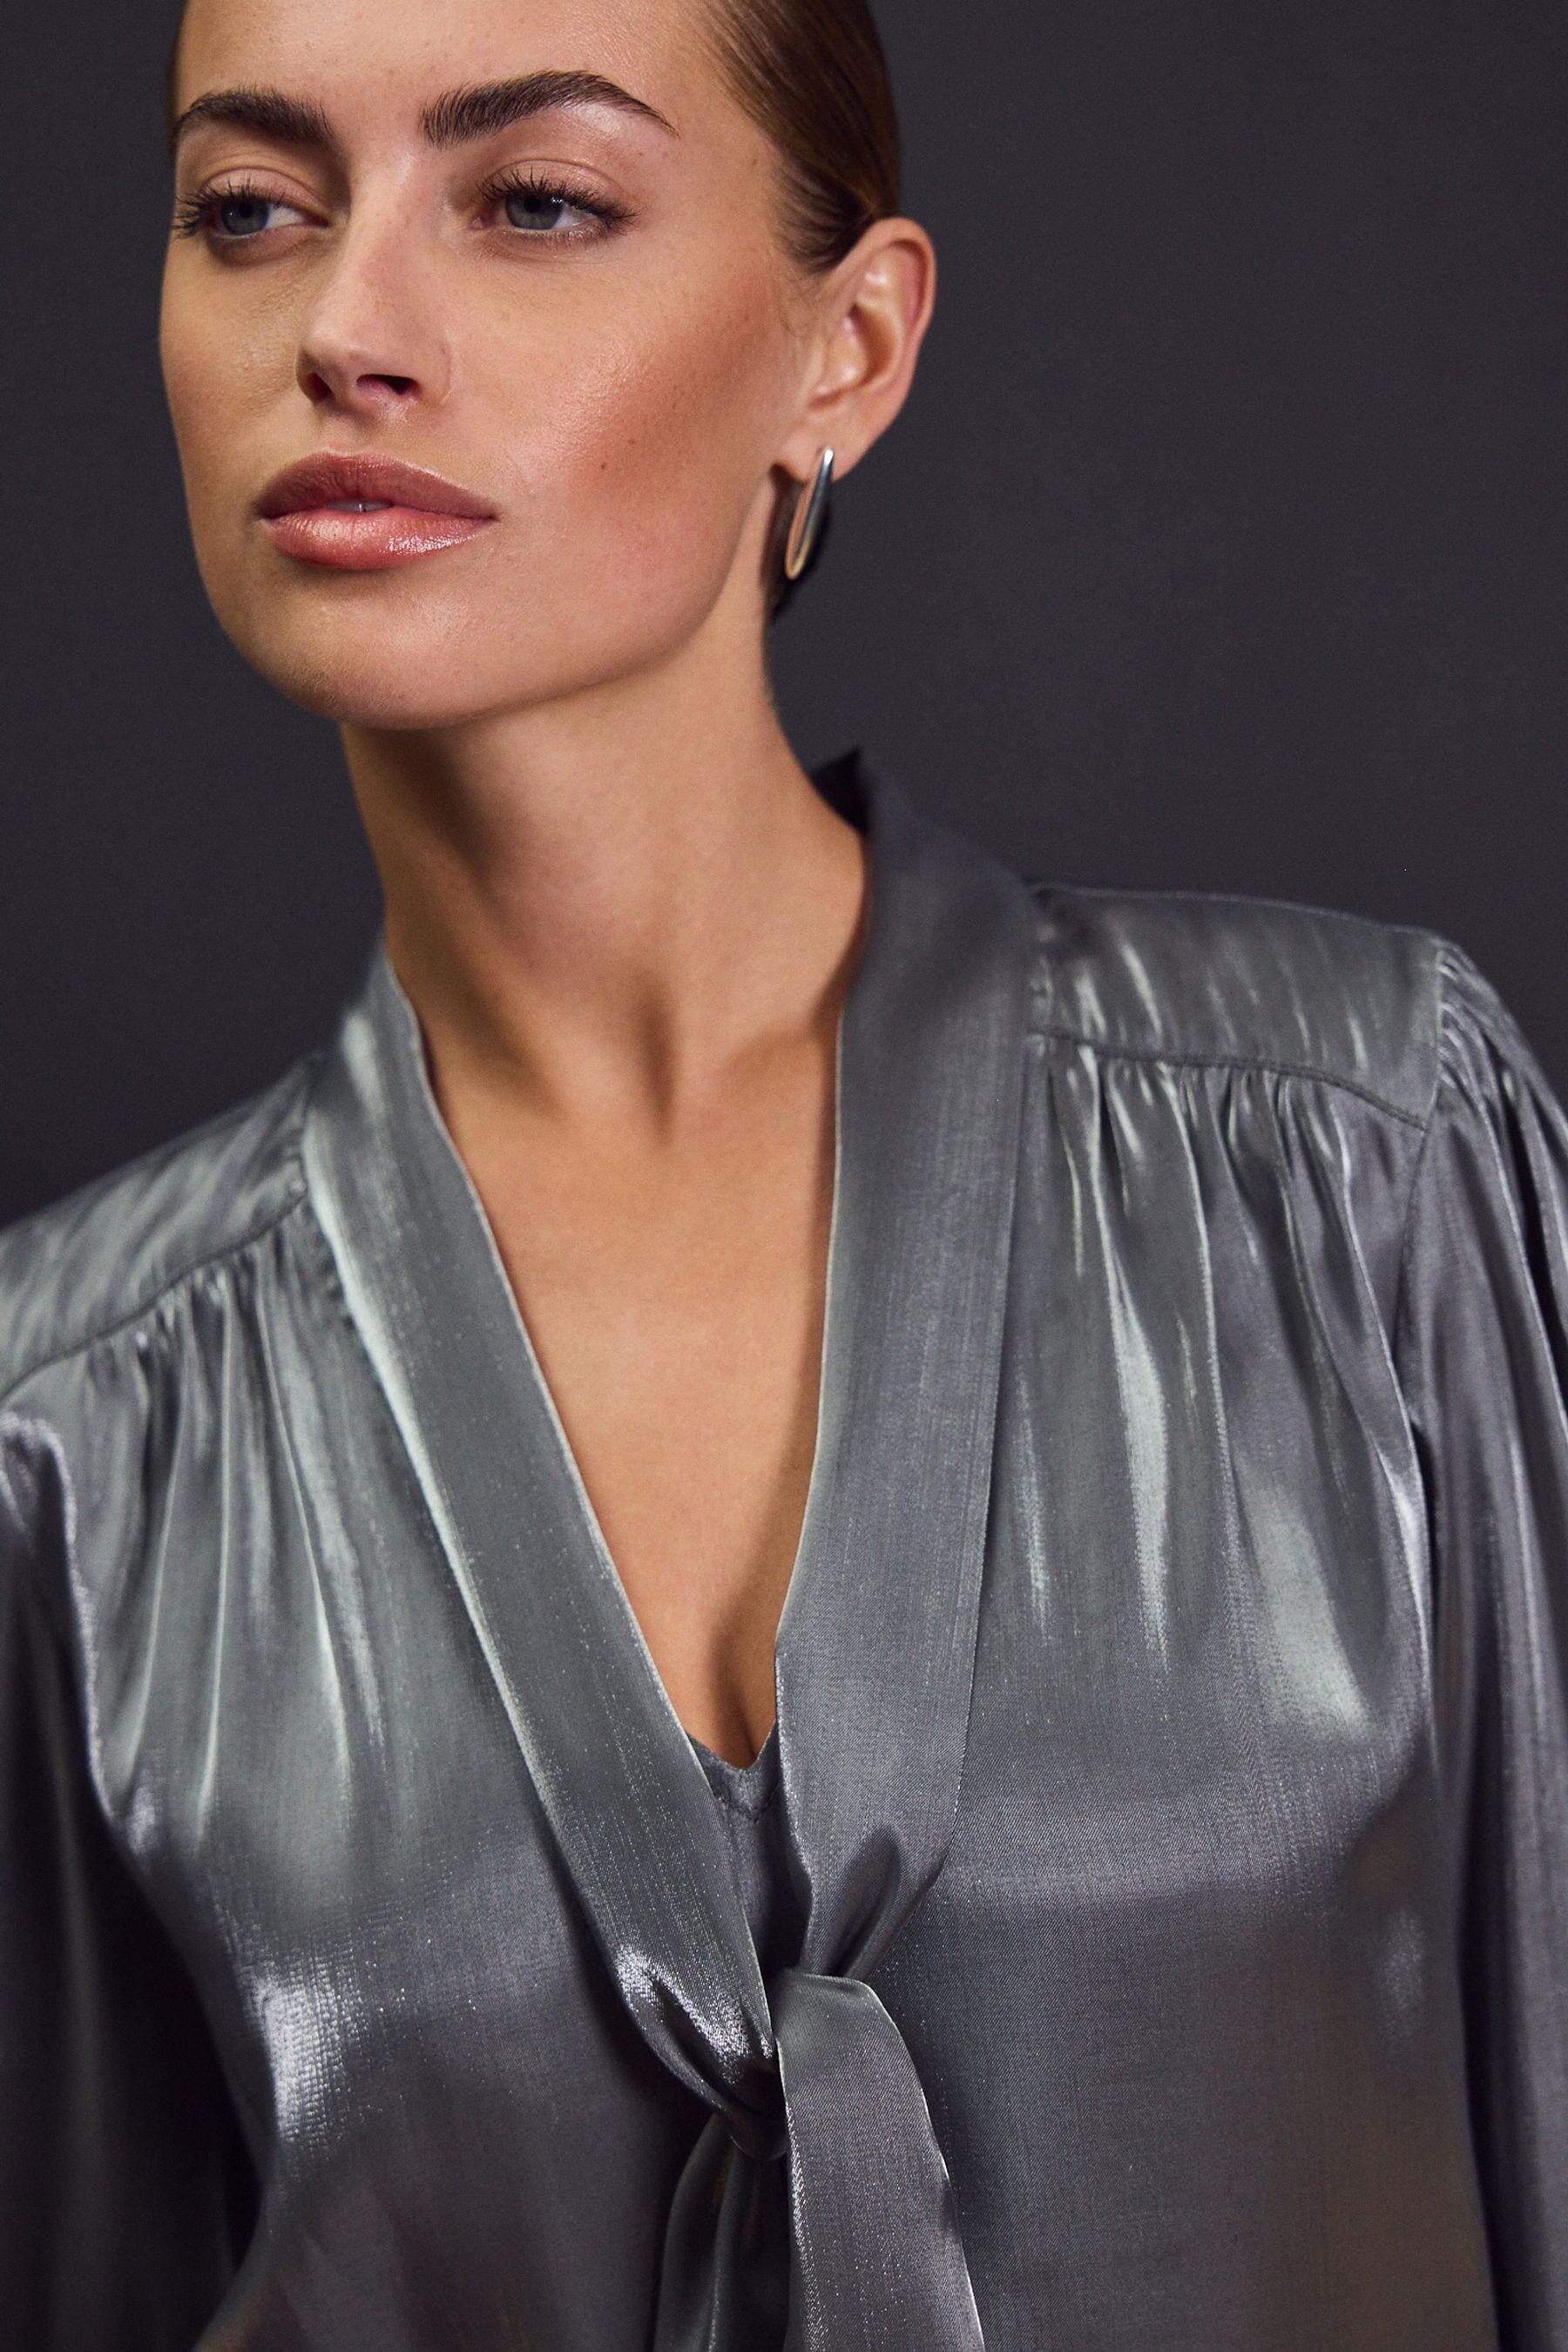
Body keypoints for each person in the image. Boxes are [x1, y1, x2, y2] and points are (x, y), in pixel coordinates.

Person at [2, 0, 1564, 2342]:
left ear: (849, 348)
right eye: (251, 208)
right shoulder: (67, 1437)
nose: (341, 323)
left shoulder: (1362, 1165)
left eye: (535, 200)